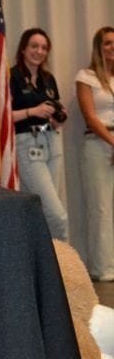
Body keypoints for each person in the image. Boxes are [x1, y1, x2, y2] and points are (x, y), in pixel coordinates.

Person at [9, 28, 69, 241]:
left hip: (52, 139)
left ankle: (42, 258)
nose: (39, 51)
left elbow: (56, 107)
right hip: (28, 142)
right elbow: (1, 118)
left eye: (44, 48)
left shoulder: (47, 78)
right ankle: (64, 259)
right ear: (23, 49)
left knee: (40, 211)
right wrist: (33, 111)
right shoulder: (12, 76)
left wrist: (58, 116)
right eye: (34, 46)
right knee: (57, 216)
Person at [76, 26, 114, 282]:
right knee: (100, 209)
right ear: (98, 47)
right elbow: (90, 116)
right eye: (107, 43)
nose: (112, 47)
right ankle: (103, 268)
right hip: (98, 144)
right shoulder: (86, 76)